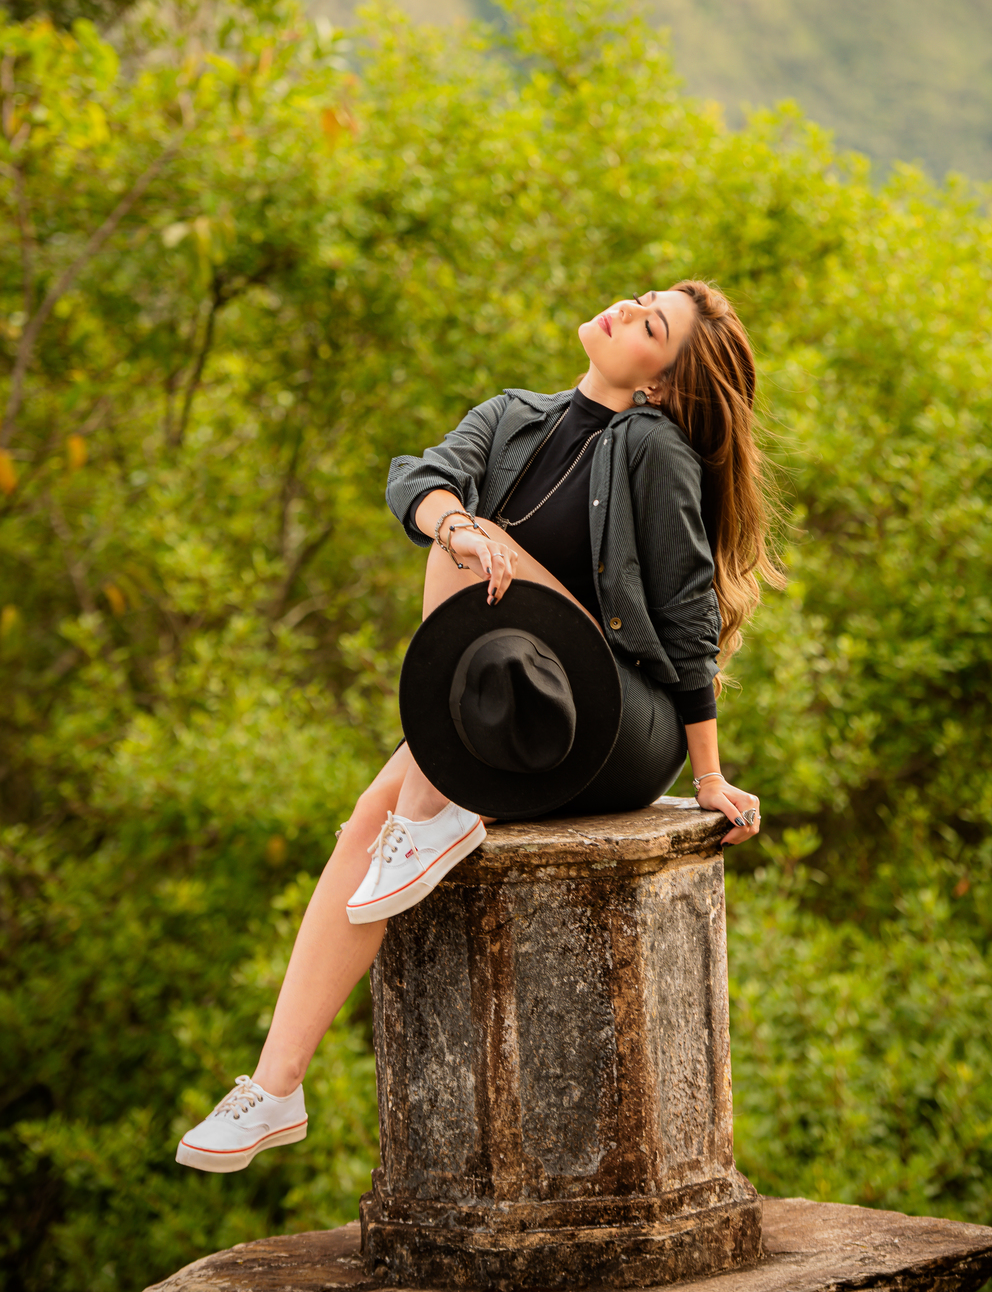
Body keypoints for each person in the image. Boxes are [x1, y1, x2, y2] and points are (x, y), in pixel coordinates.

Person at [175, 279, 781, 1173]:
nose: (625, 308)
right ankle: (275, 1088)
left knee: (469, 550)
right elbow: (416, 480)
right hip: (518, 708)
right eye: (642, 296)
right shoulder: (513, 417)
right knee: (373, 808)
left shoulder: (653, 446)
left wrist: (709, 776)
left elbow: (689, 617)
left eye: (651, 325)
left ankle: (433, 807)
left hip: (621, 721)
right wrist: (456, 525)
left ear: (659, 382)